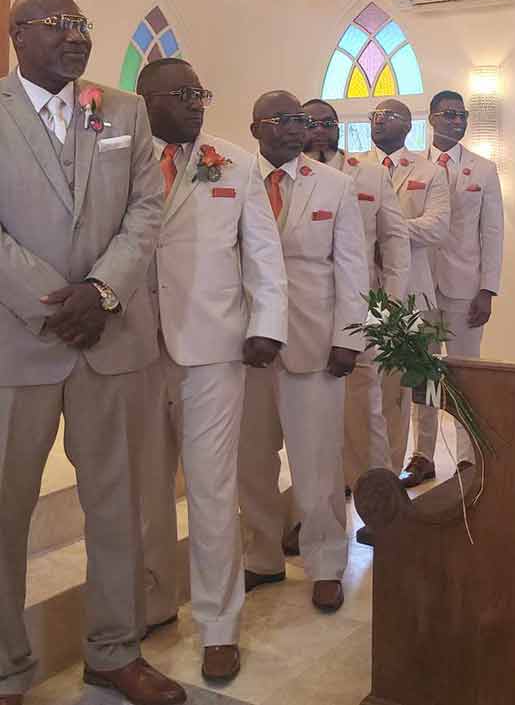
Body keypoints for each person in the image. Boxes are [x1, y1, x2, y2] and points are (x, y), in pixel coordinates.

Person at [0, 0, 185, 705]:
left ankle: (114, 651)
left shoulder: (122, 110)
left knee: (117, 504)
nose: (76, 37)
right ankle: (8, 668)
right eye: (58, 25)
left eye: (82, 24)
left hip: (109, 336)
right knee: (6, 509)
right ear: (17, 34)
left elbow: (146, 209)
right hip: (18, 340)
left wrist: (101, 291)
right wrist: (54, 303)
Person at [137, 59, 287, 682]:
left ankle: (219, 626)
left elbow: (262, 252)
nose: (197, 103)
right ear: (144, 100)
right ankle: (149, 603)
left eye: (201, 91)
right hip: (135, 350)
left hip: (214, 350)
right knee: (143, 492)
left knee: (211, 490)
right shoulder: (121, 158)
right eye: (181, 93)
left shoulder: (236, 163)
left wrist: (266, 324)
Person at [238, 91, 369, 612]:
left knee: (316, 461)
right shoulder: (230, 178)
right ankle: (262, 557)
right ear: (255, 129)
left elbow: (353, 267)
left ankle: (326, 562)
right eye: (282, 119)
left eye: (301, 119)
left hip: (315, 344)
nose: (296, 128)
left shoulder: (335, 186)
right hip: (245, 345)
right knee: (252, 460)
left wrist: (349, 337)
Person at [302, 99, 410, 504]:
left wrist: (392, 306)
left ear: (339, 128)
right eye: (311, 122)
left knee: (366, 416)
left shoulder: (368, 175)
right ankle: (315, 510)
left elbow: (395, 241)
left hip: (359, 311)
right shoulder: (284, 175)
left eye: (328, 123)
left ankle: (381, 510)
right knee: (309, 421)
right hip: (302, 312)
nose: (320, 130)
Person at [408, 90, 504, 481]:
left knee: (465, 374)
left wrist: (488, 289)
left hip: (466, 289)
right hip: (420, 285)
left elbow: (493, 232)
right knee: (423, 373)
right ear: (431, 118)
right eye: (448, 115)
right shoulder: (412, 168)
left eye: (462, 115)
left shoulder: (483, 169)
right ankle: (422, 456)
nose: (457, 121)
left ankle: (467, 455)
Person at [365, 99, 450, 482]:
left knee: (423, 379)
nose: (379, 122)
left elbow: (436, 227)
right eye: (374, 117)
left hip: (418, 291)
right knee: (376, 383)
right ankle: (373, 460)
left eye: (387, 117)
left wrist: (391, 230)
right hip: (369, 291)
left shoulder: (430, 171)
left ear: (407, 125)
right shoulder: (354, 168)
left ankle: (424, 454)